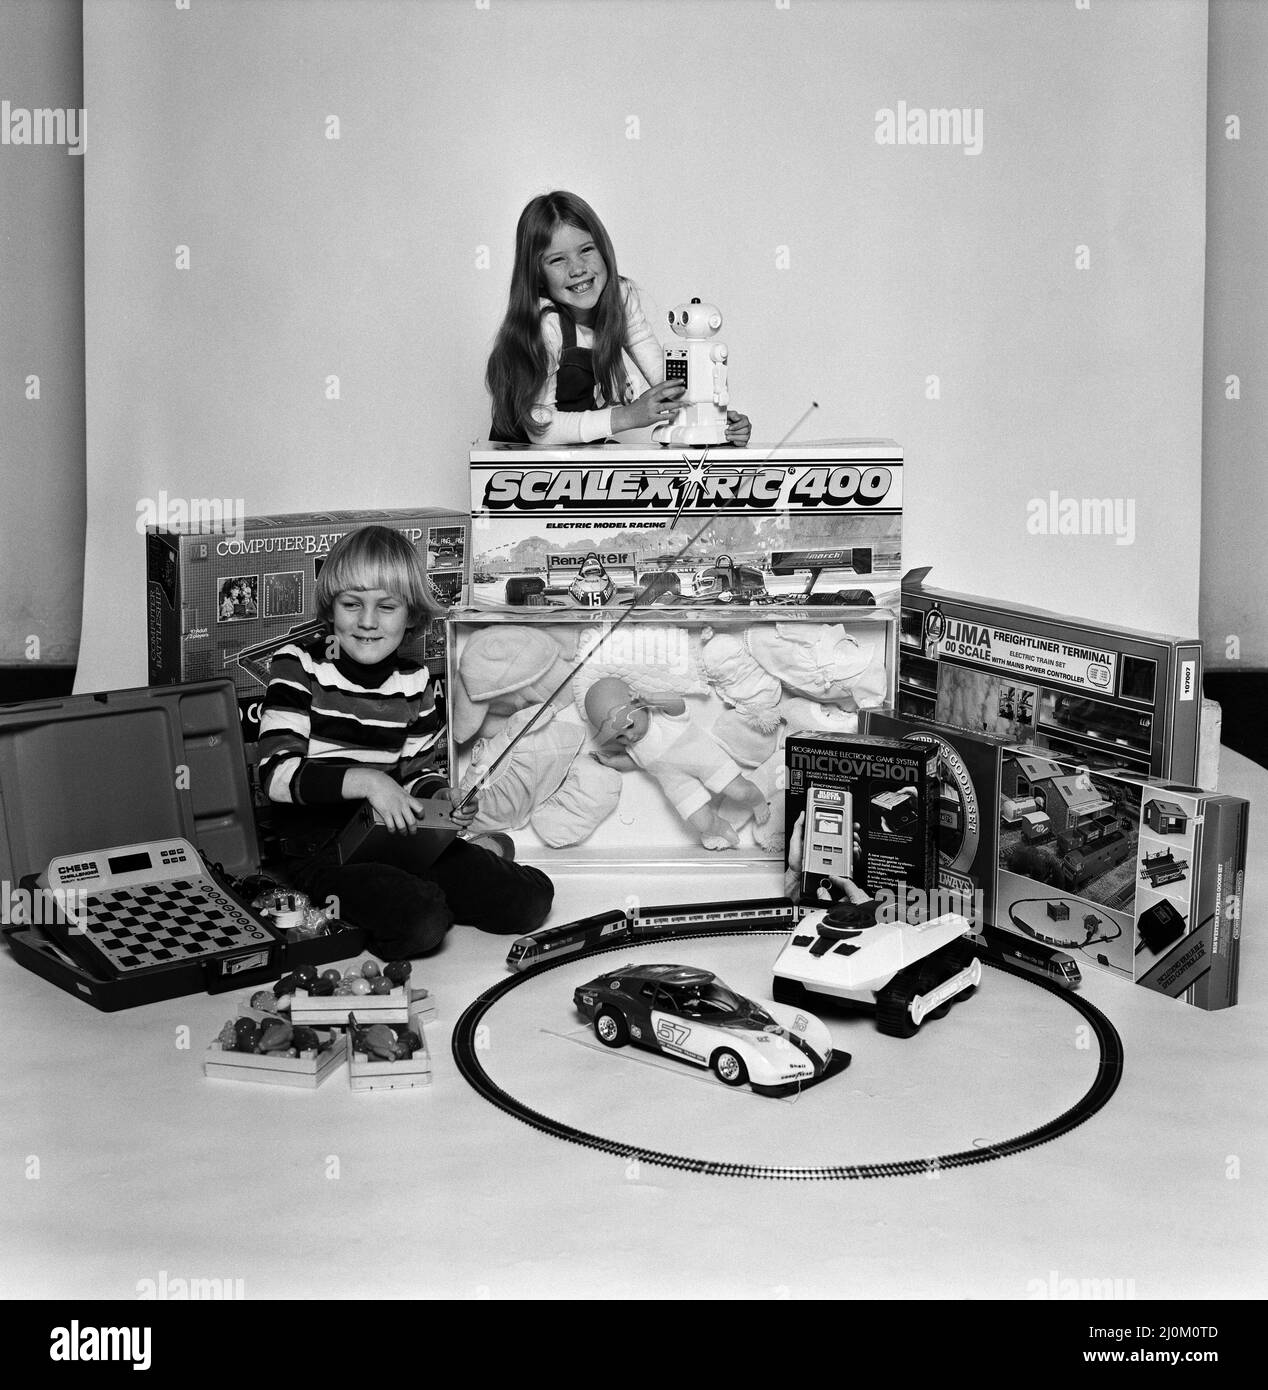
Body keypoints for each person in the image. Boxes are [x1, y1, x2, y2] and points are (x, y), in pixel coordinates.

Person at [257, 525, 553, 956]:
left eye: (386, 606)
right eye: (351, 603)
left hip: (400, 838)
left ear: (411, 614)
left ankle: (475, 862)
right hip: (323, 853)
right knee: (422, 920)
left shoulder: (413, 681)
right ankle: (418, 893)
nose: (368, 621)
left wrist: (444, 796)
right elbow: (276, 775)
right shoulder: (297, 665)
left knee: (528, 902)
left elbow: (417, 773)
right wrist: (370, 782)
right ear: (330, 609)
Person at [485, 189, 752, 446]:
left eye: (586, 250)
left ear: (603, 248)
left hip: (576, 457)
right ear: (536, 274)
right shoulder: (547, 324)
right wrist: (627, 416)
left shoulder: (620, 299)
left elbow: (666, 382)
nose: (577, 269)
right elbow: (541, 429)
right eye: (557, 260)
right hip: (518, 470)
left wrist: (710, 419)